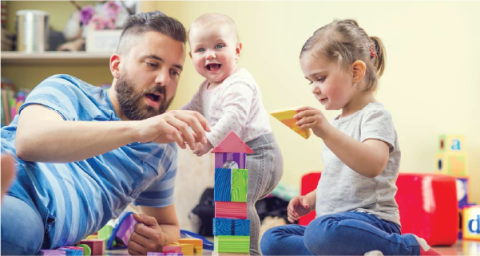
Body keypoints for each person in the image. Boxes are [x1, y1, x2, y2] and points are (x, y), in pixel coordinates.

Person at [0, 11, 211, 256]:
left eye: (174, 71)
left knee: (20, 232)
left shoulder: (161, 148)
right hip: (11, 172)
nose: (164, 79)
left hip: (33, 215)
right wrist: (138, 130)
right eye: (152, 64)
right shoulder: (66, 89)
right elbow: (29, 142)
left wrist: (159, 237)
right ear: (117, 66)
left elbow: (169, 225)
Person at [260, 19, 440, 256]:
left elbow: (372, 165)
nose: (314, 88)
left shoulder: (375, 116)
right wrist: (310, 200)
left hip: (372, 223)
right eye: (310, 81)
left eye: (320, 78)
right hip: (334, 225)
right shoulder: (336, 123)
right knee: (273, 239)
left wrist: (326, 132)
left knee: (320, 232)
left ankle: (408, 248)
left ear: (356, 72)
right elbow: (338, 178)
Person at [182, 13, 283, 256]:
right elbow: (188, 112)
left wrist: (207, 140)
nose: (210, 54)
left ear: (236, 50)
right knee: (225, 204)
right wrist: (168, 121)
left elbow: (234, 119)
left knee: (238, 203)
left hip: (259, 153)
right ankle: (229, 250)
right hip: (232, 155)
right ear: (192, 56)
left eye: (219, 46)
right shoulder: (205, 88)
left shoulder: (239, 82)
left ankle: (248, 251)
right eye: (201, 49)